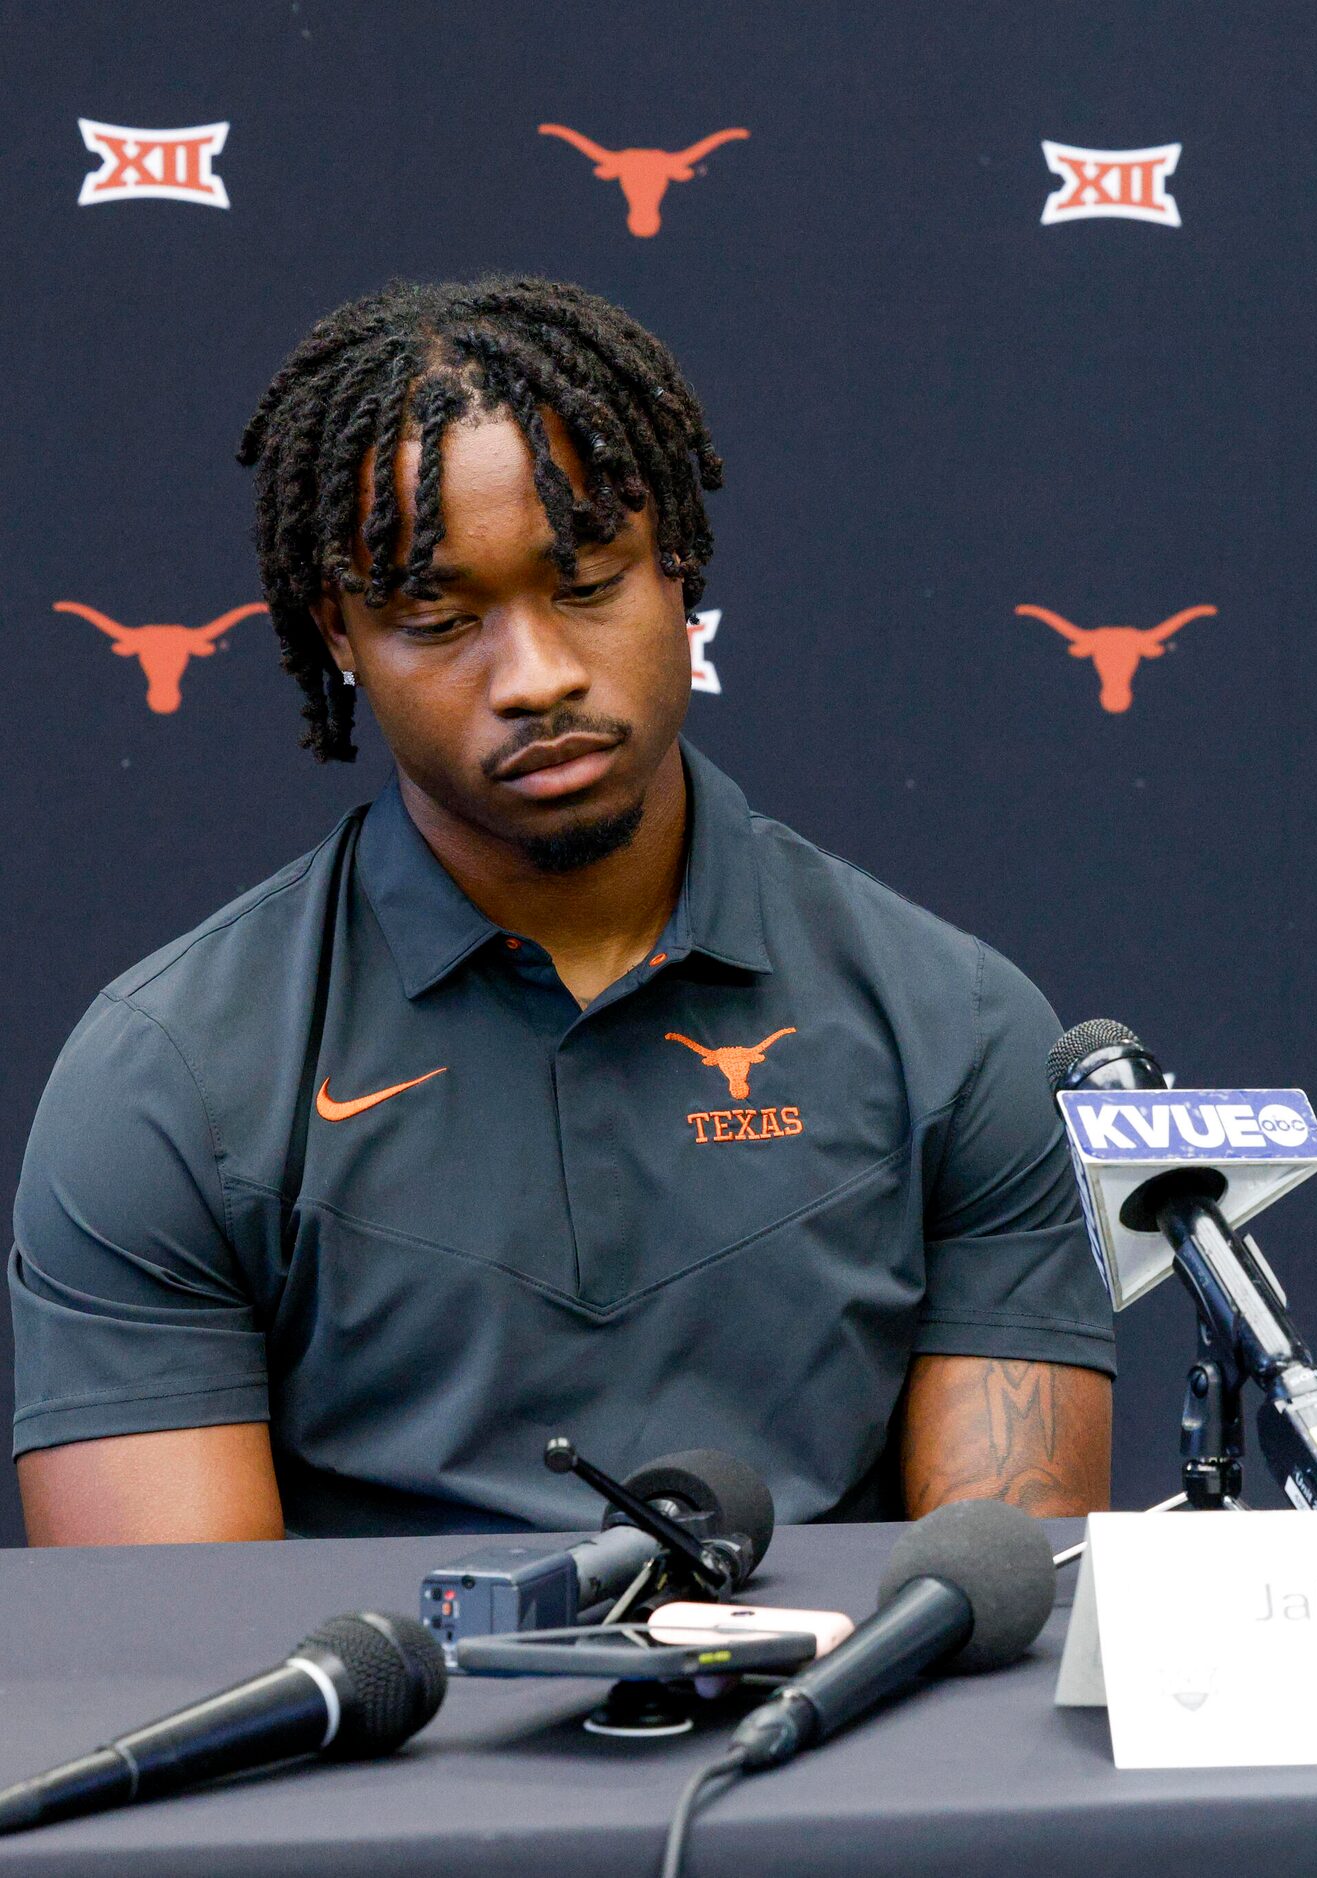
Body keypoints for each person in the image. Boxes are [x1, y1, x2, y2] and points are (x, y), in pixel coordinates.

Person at [11, 277, 1112, 1542]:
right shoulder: (170, 1082)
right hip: (383, 1739)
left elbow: (989, 1603)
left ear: (677, 574)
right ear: (340, 637)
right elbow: (187, 1664)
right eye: (437, 617)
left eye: (587, 584)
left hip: (841, 1730)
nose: (535, 677)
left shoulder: (957, 1028)